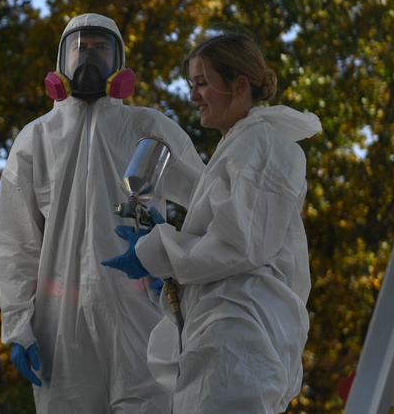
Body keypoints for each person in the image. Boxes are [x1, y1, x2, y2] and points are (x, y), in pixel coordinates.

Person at [0, 13, 205, 413]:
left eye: (100, 48)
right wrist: (18, 324)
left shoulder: (148, 127)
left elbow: (209, 202)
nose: (89, 57)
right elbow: (14, 241)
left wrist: (178, 260)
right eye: (80, 48)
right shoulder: (36, 138)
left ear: (118, 61)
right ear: (61, 61)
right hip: (60, 325)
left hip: (142, 311)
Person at [102, 28, 322, 413]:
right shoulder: (238, 145)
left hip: (238, 339)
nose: (193, 95)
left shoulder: (263, 145)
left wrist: (156, 250)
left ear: (239, 85)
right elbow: (229, 239)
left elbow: (240, 245)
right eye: (192, 83)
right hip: (221, 340)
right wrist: (165, 256)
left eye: (202, 83)